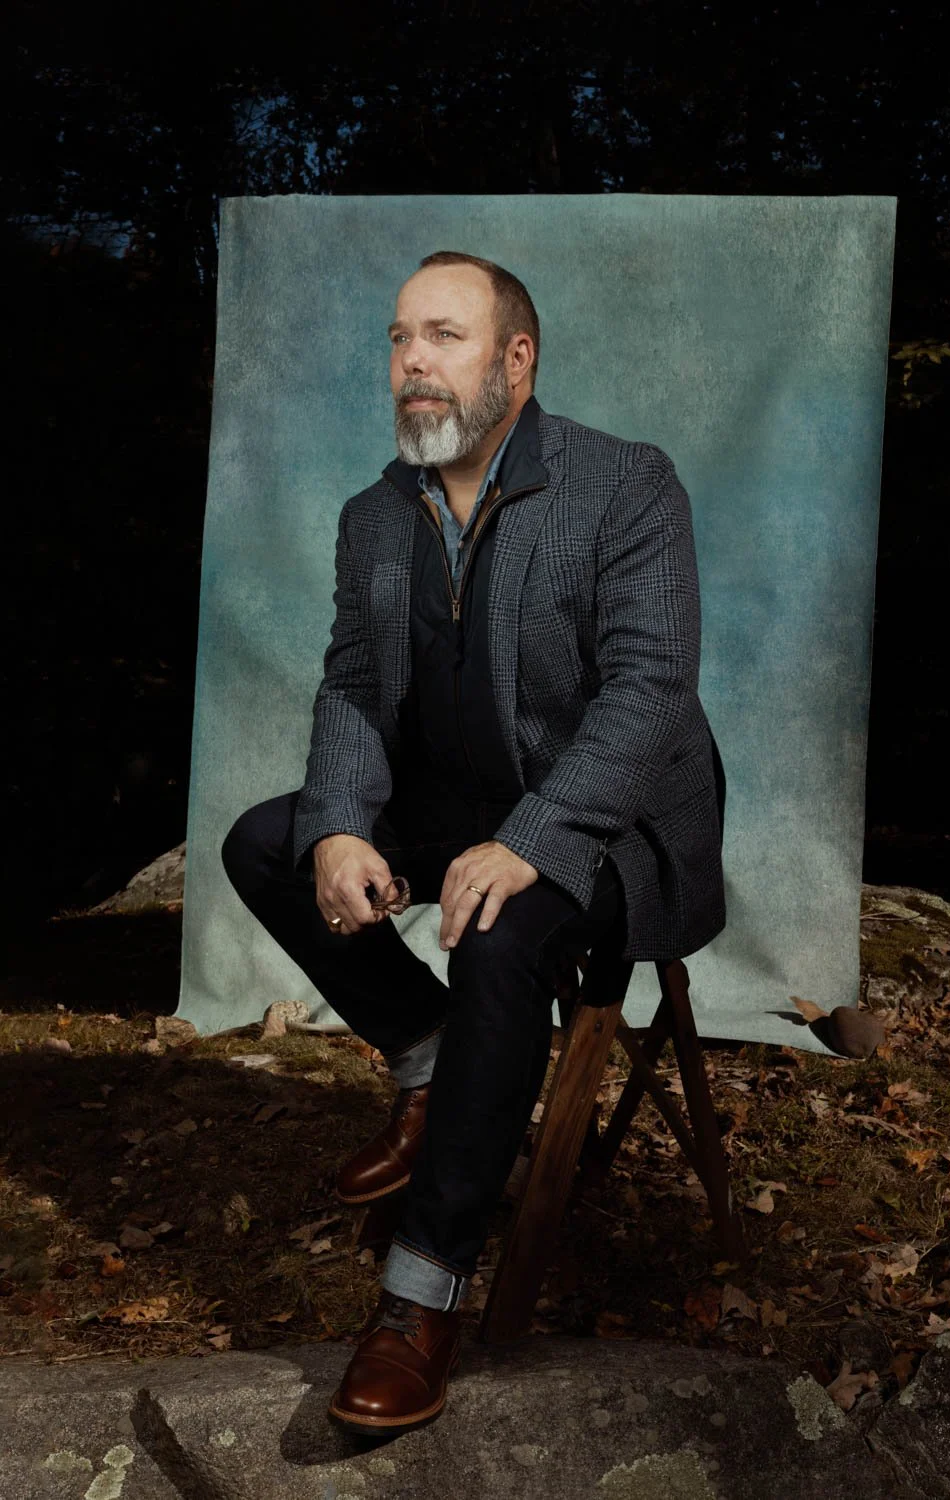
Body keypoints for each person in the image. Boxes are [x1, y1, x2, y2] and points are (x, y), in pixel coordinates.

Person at [221, 250, 727, 1436]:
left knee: (499, 939)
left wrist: (533, 841)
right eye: (399, 339)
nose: (411, 364)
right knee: (268, 844)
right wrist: (343, 825)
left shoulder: (625, 484)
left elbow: (650, 695)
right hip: (453, 799)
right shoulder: (373, 515)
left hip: (616, 818)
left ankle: (421, 1294)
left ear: (515, 359)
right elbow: (353, 687)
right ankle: (431, 1053)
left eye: (443, 337)